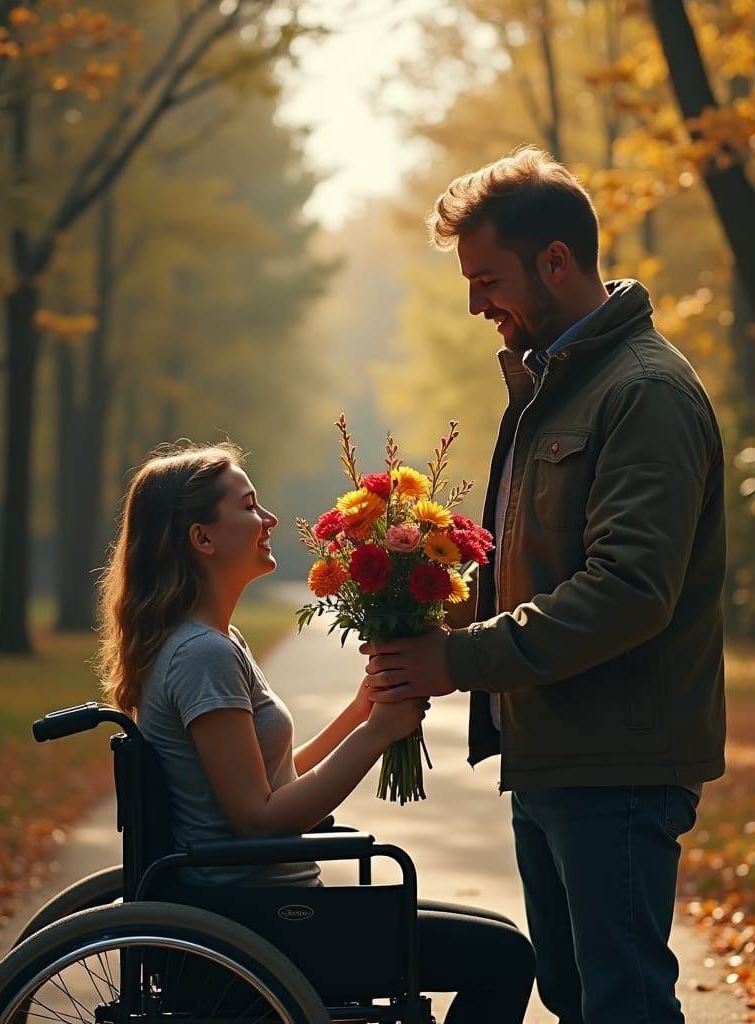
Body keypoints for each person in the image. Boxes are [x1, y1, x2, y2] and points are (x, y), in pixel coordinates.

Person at [363, 146, 726, 1024]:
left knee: (622, 1001)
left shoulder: (643, 392)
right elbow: (545, 564)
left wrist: (459, 658)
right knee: (573, 995)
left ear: (556, 261)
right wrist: (428, 603)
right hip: (554, 752)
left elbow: (630, 588)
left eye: (487, 279)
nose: (475, 304)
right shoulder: (554, 386)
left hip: (617, 761)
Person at [96, 441, 535, 1024]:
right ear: (202, 538)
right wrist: (377, 736)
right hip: (259, 919)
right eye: (248, 506)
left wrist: (360, 713)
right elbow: (258, 819)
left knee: (495, 932)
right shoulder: (202, 655)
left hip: (260, 906)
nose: (269, 519)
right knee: (505, 956)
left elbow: (273, 780)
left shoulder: (211, 642)